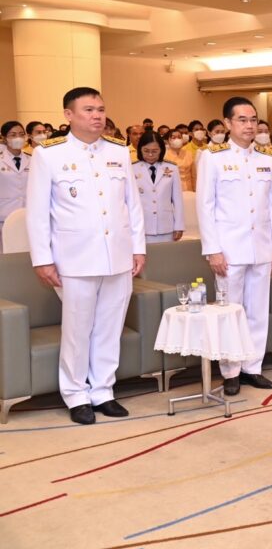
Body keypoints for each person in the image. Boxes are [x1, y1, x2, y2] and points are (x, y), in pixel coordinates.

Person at [26, 87, 146, 425]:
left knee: (110, 326)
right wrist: (42, 259)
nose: (97, 116)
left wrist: (138, 248)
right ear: (69, 115)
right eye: (89, 110)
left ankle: (103, 390)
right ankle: (76, 394)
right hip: (74, 259)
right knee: (77, 330)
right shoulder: (49, 154)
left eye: (101, 109)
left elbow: (132, 205)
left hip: (117, 256)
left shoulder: (119, 151)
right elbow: (37, 212)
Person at [196, 96, 272, 395]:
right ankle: (231, 371)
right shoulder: (213, 157)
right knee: (230, 311)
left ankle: (252, 367)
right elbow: (205, 206)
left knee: (258, 310)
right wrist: (213, 250)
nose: (249, 125)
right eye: (242, 120)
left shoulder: (267, 159)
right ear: (227, 123)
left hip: (261, 246)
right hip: (229, 249)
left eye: (253, 120)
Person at [133, 130, 185, 243]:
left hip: (166, 226)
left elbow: (178, 200)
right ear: (140, 149)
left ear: (161, 150)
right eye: (146, 151)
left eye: (154, 151)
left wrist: (179, 226)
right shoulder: (132, 169)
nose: (150, 155)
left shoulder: (172, 168)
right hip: (141, 226)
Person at [0, 121, 31, 251]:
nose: (18, 137)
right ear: (4, 138)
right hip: (4, 216)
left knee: (27, 252)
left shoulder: (32, 159)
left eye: (21, 134)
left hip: (27, 215)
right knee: (6, 253)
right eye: (13, 135)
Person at [163, 127, 196, 192]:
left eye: (179, 137)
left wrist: (195, 188)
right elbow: (165, 178)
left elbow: (194, 174)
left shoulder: (189, 153)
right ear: (167, 141)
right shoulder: (164, 156)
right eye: (173, 137)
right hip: (173, 189)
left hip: (189, 188)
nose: (177, 139)